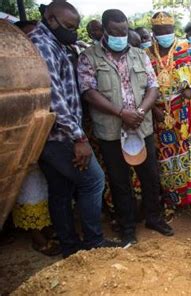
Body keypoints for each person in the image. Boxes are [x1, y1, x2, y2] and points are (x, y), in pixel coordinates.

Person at [29, 1, 118, 258]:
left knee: (61, 189)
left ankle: (69, 246)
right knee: (93, 181)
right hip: (60, 135)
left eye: (75, 27)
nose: (73, 32)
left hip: (54, 134)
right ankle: (93, 242)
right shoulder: (43, 45)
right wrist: (78, 136)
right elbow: (53, 97)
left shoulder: (57, 44)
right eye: (68, 26)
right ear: (50, 18)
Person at [77, 9, 174, 245]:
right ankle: (127, 226)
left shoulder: (139, 55)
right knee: (120, 180)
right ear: (105, 30)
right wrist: (121, 113)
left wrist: (139, 112)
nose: (120, 36)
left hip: (142, 127)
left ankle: (154, 217)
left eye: (124, 32)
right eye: (115, 33)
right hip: (111, 130)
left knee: (150, 176)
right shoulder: (89, 57)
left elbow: (152, 87)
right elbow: (89, 92)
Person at [145, 11, 191, 222]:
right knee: (166, 158)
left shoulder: (186, 49)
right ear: (154, 32)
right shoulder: (146, 54)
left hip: (187, 110)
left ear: (173, 30)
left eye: (168, 30)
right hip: (160, 113)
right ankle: (170, 203)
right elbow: (142, 85)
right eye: (160, 31)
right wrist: (154, 110)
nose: (164, 34)